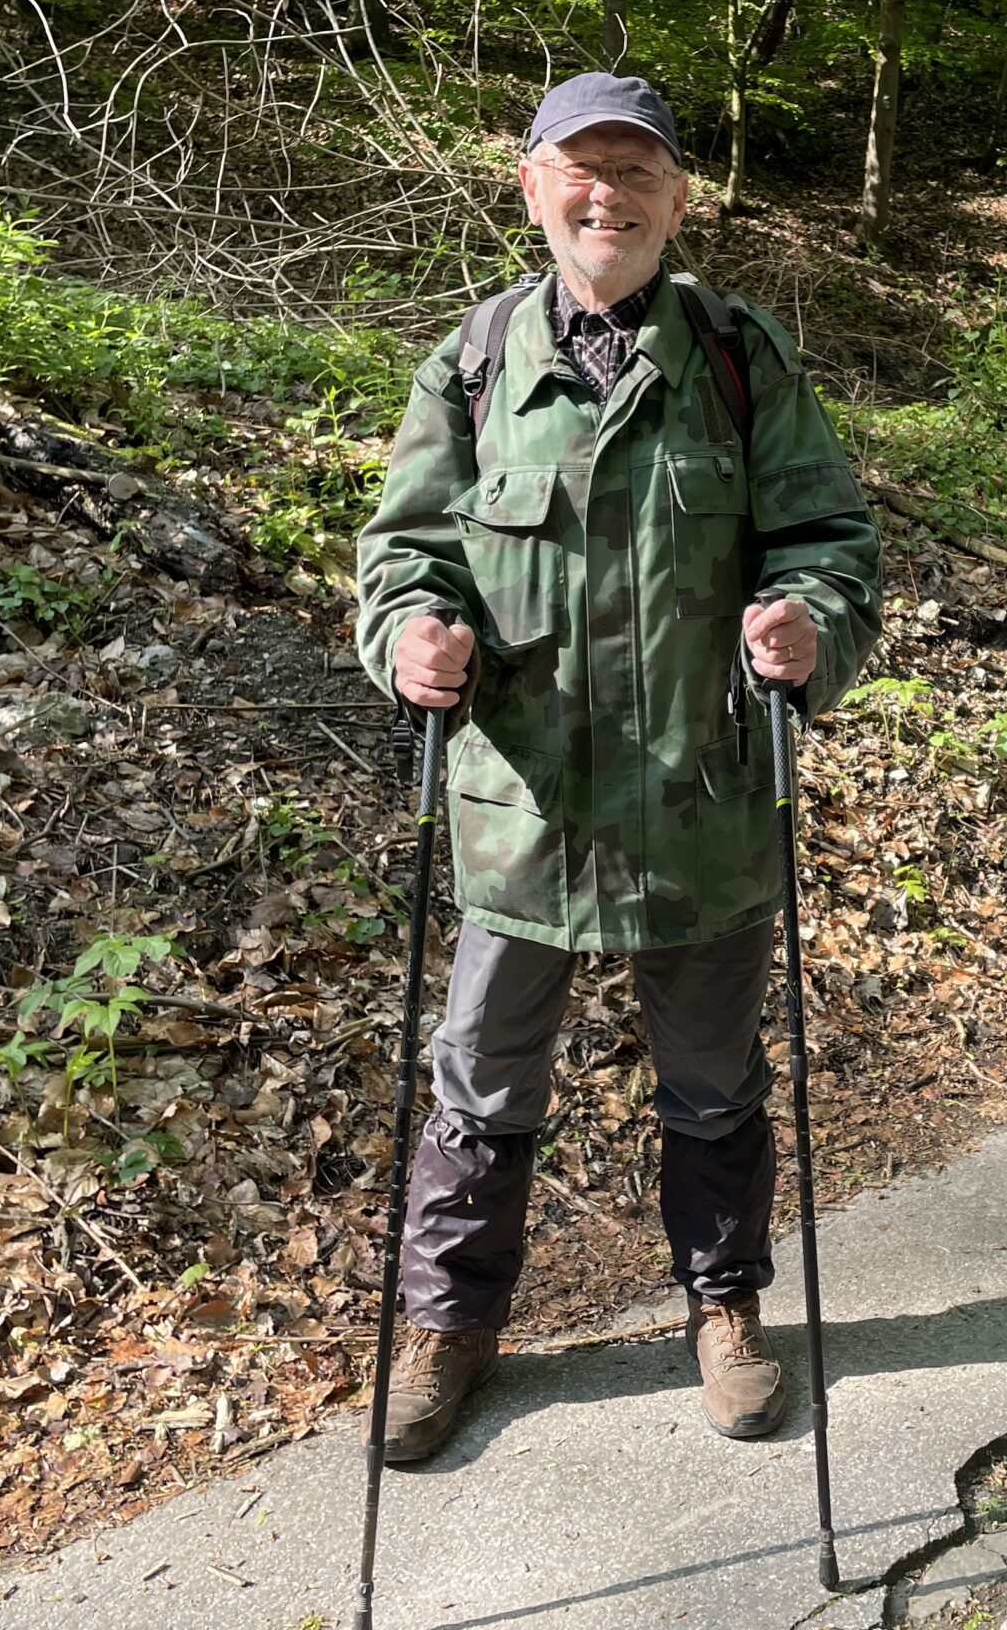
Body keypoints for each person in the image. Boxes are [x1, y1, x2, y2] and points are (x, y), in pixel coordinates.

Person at [354, 71, 882, 1459]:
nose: (610, 197)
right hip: (524, 811)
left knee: (714, 1081)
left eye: (638, 173)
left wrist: (805, 626)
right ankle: (451, 1326)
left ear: (678, 198)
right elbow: (401, 556)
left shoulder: (735, 352)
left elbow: (829, 543)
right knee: (479, 1078)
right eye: (581, 170)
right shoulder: (471, 364)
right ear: (531, 185)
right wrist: (410, 635)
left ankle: (724, 1307)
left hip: (697, 801)